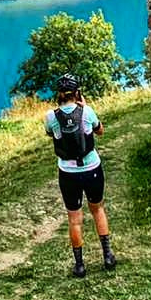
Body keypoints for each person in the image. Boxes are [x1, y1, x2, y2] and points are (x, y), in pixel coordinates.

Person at [44, 72, 116, 277]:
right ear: (77, 93)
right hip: (92, 168)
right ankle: (108, 256)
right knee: (98, 209)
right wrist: (84, 107)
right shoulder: (86, 112)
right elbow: (100, 131)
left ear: (59, 94)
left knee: (74, 218)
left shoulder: (51, 116)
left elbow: (51, 133)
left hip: (67, 173)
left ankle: (79, 265)